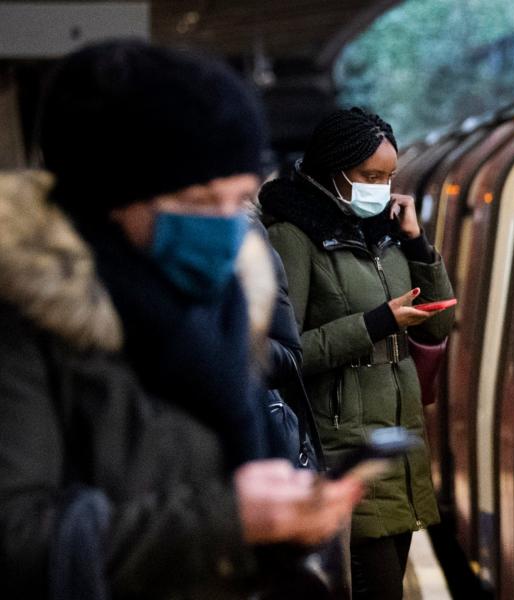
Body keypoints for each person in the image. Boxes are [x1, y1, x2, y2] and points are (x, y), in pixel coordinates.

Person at [0, 40, 364, 599]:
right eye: (197, 202)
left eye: (239, 200)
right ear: (107, 196)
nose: (226, 228)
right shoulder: (22, 323)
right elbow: (16, 543)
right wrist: (230, 520)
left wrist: (292, 521)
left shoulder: (222, 308)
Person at [259, 107, 456, 599]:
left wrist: (418, 246)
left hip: (398, 445)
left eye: (389, 178)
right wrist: (377, 323)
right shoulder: (292, 236)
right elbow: (284, 354)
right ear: (334, 170)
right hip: (341, 451)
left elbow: (441, 325)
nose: (382, 188)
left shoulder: (384, 234)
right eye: (370, 176)